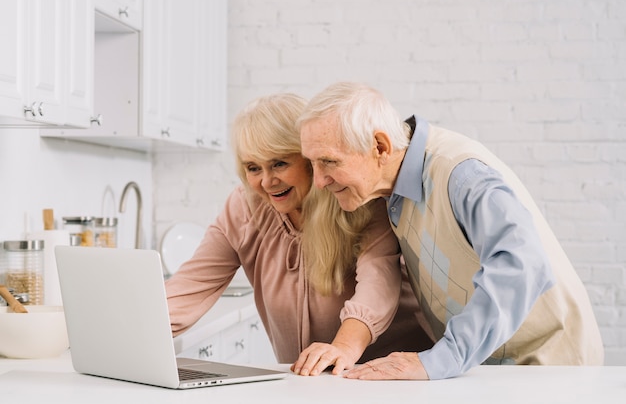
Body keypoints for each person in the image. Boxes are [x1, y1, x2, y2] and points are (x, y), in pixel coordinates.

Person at [297, 81, 604, 380]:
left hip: (549, 367)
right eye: (312, 163)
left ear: (380, 147)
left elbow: (522, 264)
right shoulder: (389, 191)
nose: (320, 181)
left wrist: (444, 358)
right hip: (487, 370)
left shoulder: (462, 174)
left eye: (329, 162)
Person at [165, 93, 432, 376]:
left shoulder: (355, 200)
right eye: (253, 168)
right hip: (314, 381)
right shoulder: (244, 208)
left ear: (308, 158)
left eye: (279, 163)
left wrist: (342, 346)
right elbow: (191, 286)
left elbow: (378, 283)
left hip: (392, 374)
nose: (267, 181)